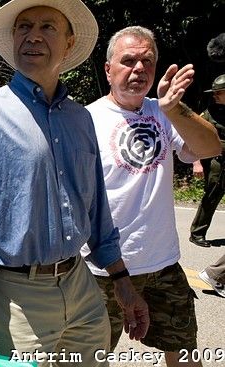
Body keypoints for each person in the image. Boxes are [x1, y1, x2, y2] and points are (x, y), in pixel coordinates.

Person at [0, 1, 149, 365]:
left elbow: (97, 208)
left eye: (48, 27)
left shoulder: (80, 118)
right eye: (24, 27)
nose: (33, 35)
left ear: (69, 43)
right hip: (14, 297)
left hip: (81, 288)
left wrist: (122, 281)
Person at [82, 26, 221, 367]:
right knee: (88, 359)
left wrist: (175, 109)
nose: (139, 69)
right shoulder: (86, 120)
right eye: (128, 61)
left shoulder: (164, 111)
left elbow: (211, 146)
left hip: (163, 265)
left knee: (185, 355)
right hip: (103, 270)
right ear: (108, 69)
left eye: (147, 61)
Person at [189, 74, 225, 247]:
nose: (214, 95)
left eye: (218, 93)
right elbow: (193, 137)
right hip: (219, 165)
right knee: (211, 198)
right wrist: (196, 163)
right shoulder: (209, 113)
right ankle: (197, 234)